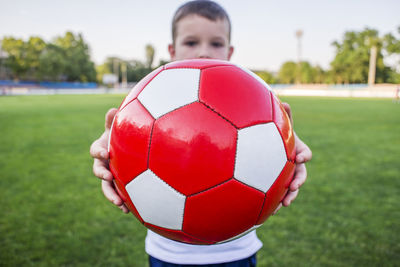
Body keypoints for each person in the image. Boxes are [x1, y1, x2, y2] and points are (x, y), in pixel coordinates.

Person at [90, 1, 312, 266]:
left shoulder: (249, 97)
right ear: (172, 50)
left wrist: (290, 153)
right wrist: (110, 152)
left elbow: (275, 138)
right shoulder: (151, 97)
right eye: (191, 42)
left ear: (230, 51)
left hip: (236, 250)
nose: (204, 52)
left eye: (216, 44)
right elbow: (124, 137)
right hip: (168, 251)